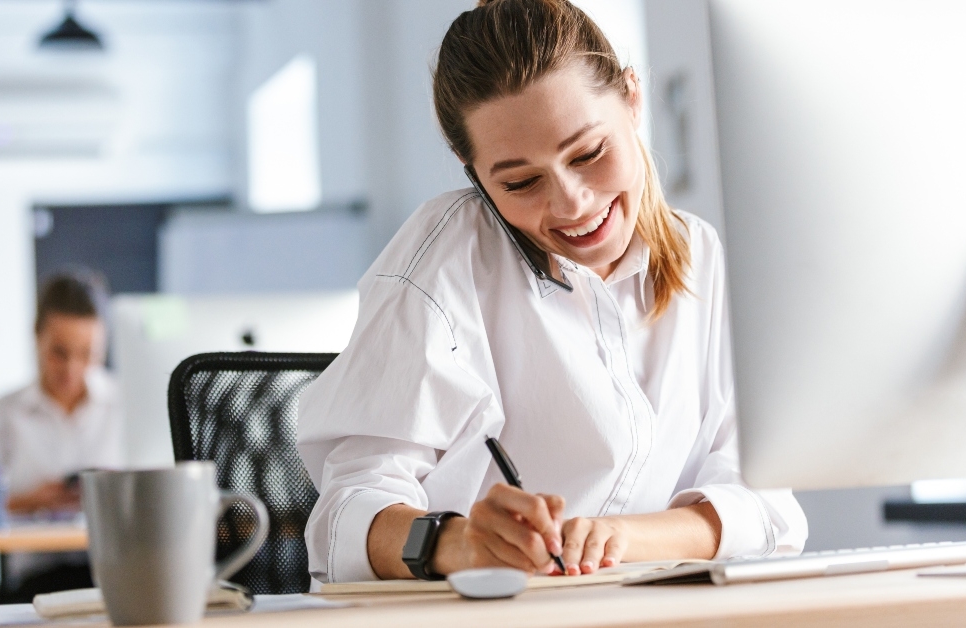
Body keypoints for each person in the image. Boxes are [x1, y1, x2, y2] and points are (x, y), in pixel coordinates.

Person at [296, 0, 807, 584]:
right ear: (472, 169)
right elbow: (344, 519)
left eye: (589, 153)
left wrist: (619, 537)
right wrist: (457, 543)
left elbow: (764, 505)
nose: (571, 203)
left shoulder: (702, 260)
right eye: (520, 181)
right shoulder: (444, 263)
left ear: (633, 99)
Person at [0, 272, 124, 599]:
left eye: (87, 354)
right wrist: (28, 502)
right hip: (35, 582)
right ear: (36, 337)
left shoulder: (126, 405)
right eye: (59, 352)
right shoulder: (3, 414)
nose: (72, 369)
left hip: (117, 573)